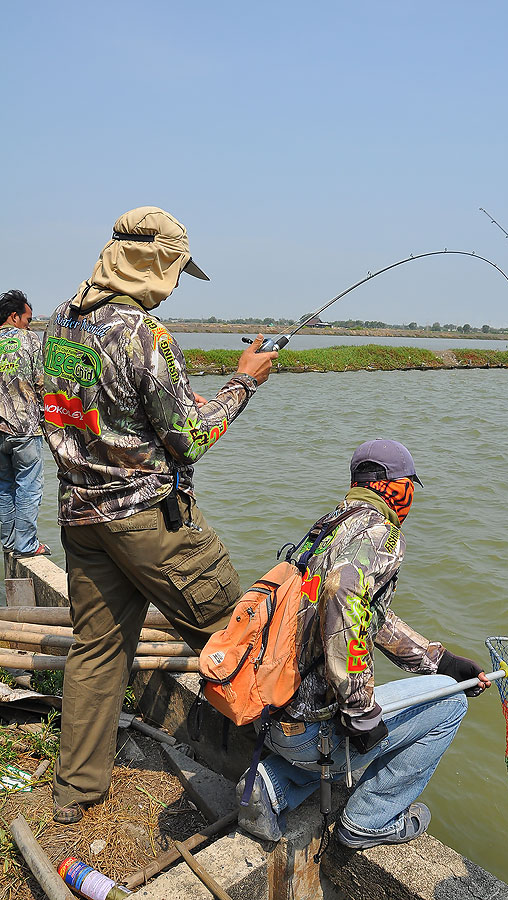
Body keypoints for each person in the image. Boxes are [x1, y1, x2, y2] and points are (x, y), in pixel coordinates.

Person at [42, 207, 277, 824]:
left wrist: (175, 408)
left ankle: (76, 793)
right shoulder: (145, 333)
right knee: (239, 635)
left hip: (82, 517)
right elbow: (190, 440)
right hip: (150, 522)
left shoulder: (64, 323)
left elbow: (91, 411)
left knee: (96, 651)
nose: (175, 282)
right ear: (154, 264)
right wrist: (243, 383)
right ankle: (289, 769)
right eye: (175, 268)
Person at [236, 438, 491, 848]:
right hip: (317, 735)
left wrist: (439, 662)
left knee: (444, 681)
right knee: (450, 703)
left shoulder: (332, 523)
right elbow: (341, 597)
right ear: (393, 486)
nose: (411, 497)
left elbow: (366, 614)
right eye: (409, 484)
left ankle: (271, 784)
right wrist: (360, 709)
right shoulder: (378, 532)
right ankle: (369, 821)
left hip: (276, 722)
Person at [0, 289, 50, 558]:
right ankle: (27, 545)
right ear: (14, 316)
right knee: (29, 486)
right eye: (28, 319)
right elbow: (41, 382)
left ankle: (8, 542)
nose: (29, 324)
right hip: (25, 427)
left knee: (4, 487)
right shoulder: (29, 340)